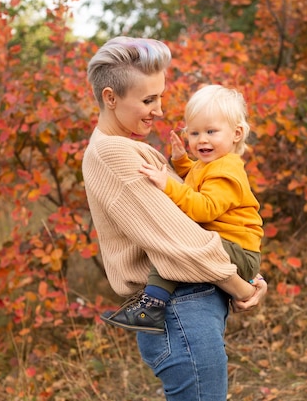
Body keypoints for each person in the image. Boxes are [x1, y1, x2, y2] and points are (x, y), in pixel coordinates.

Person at [82, 36, 267, 401]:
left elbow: (203, 215)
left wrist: (247, 273)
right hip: (182, 308)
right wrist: (244, 287)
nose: (161, 111)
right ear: (110, 98)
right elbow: (183, 240)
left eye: (160, 97)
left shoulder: (131, 146)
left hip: (187, 303)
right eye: (149, 100)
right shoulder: (115, 154)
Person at [103, 84, 263, 334]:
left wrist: (167, 184)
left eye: (211, 131)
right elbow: (197, 181)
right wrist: (181, 161)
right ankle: (151, 305)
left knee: (176, 248)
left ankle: (152, 307)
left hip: (240, 250)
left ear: (237, 133)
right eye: (194, 133)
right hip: (227, 243)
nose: (202, 140)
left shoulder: (227, 171)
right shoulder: (211, 164)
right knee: (177, 245)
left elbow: (204, 208)